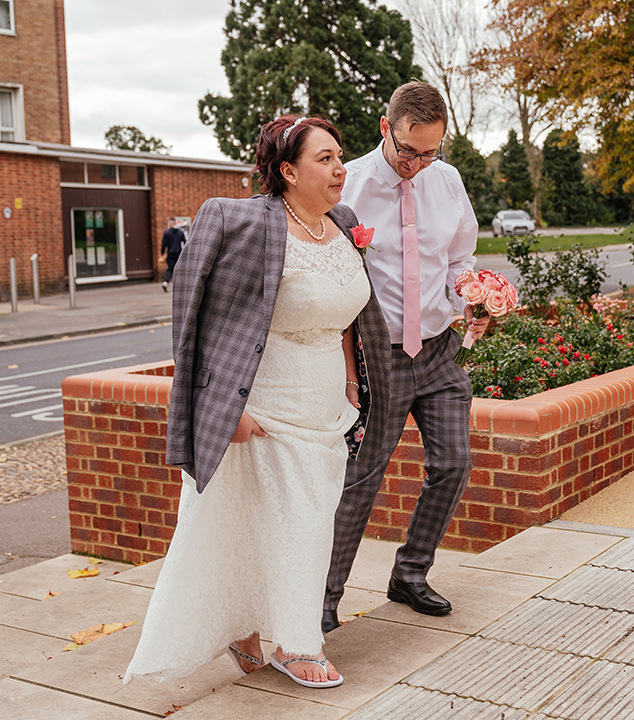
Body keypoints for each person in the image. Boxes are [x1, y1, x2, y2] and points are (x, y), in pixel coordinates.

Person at [124, 114, 391, 688]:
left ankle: (251, 626)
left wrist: (350, 381)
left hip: (324, 403)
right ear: (288, 171)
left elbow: (346, 318)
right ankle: (294, 643)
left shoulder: (343, 223)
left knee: (307, 524)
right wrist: (222, 406)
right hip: (262, 402)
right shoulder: (238, 220)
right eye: (325, 159)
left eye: (340, 156)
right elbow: (195, 320)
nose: (340, 168)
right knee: (247, 521)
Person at [323, 82, 489, 632]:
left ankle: (410, 573)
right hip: (380, 357)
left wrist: (473, 296)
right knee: (362, 478)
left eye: (431, 151)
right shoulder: (349, 187)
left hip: (440, 351)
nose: (418, 164)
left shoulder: (448, 180)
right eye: (408, 151)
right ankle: (321, 603)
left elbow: (459, 256)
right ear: (384, 128)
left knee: (453, 464)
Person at [160, 223, 186, 291]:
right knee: (180, 269)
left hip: (170, 253)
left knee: (170, 269)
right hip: (179, 253)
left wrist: (162, 253)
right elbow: (185, 242)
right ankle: (182, 285)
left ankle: (166, 282)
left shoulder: (167, 233)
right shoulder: (180, 233)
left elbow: (163, 244)